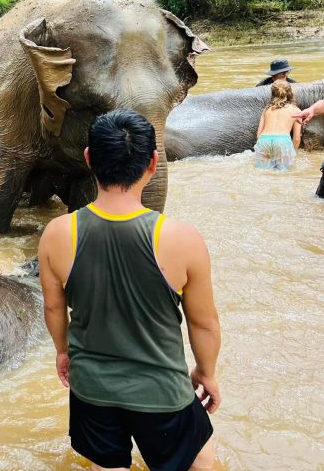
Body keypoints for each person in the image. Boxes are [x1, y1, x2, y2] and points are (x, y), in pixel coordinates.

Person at [39, 109, 221, 471]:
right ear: (154, 162)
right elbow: (204, 324)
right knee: (203, 462)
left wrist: (63, 352)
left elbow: (54, 308)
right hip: (163, 392)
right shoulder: (181, 238)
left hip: (91, 389)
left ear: (89, 158)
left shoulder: (57, 234)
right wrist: (206, 372)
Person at [254, 80, 301, 170]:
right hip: (282, 141)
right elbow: (296, 138)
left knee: (262, 172)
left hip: (264, 140)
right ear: (290, 93)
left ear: (273, 94)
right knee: (283, 174)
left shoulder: (266, 109)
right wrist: (293, 153)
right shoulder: (296, 110)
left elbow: (258, 134)